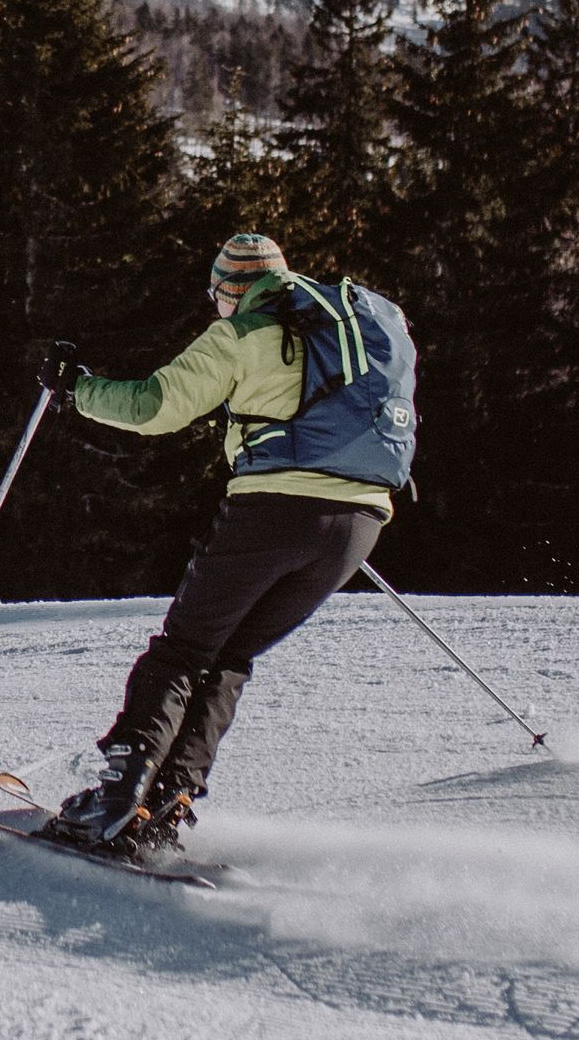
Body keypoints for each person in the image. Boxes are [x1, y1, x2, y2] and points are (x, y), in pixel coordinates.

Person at [34, 231, 415, 859]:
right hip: (362, 522)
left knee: (184, 649)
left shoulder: (243, 334)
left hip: (274, 511)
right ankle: (166, 802)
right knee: (229, 655)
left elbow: (155, 407)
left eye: (216, 295)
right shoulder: (350, 330)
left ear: (232, 290)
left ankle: (115, 798)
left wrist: (78, 390)